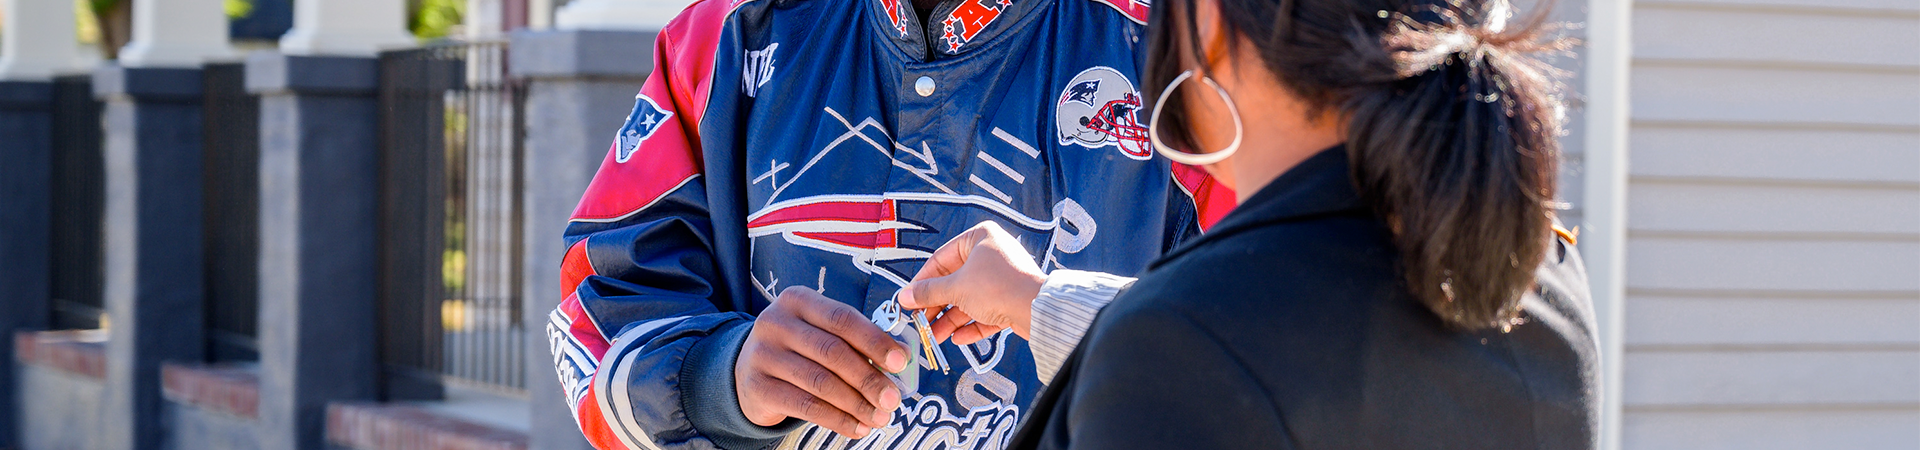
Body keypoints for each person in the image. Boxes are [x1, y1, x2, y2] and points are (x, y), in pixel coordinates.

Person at [898, 0, 1602, 447]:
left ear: (1207, 22)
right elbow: (1295, 349)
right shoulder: (1544, 281)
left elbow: (1226, 352)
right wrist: (1041, 301)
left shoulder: (1182, 344)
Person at [543, 0, 1237, 447]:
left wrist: (1046, 308)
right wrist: (720, 379)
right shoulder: (724, 40)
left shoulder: (1182, 56)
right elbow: (596, 315)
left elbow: (1279, 343)